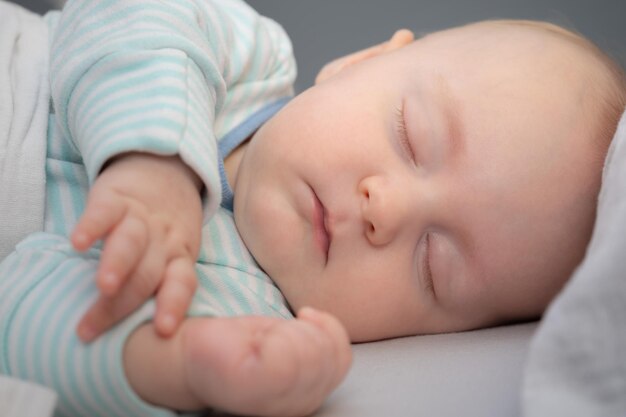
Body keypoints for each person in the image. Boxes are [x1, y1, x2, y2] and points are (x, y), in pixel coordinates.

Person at [0, 0, 625, 416]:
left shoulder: (239, 313)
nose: (387, 209)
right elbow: (119, 13)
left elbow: (22, 328)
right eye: (412, 136)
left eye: (434, 265)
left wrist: (180, 366)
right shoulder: (245, 59)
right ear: (363, 62)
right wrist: (153, 159)